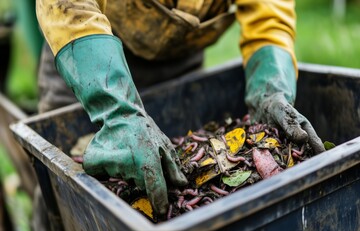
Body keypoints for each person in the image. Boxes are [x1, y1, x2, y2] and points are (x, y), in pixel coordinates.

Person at [35, 0, 325, 218]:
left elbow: (269, 12)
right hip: (85, 50)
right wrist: (115, 111)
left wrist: (270, 87)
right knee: (65, 198)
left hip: (180, 58)